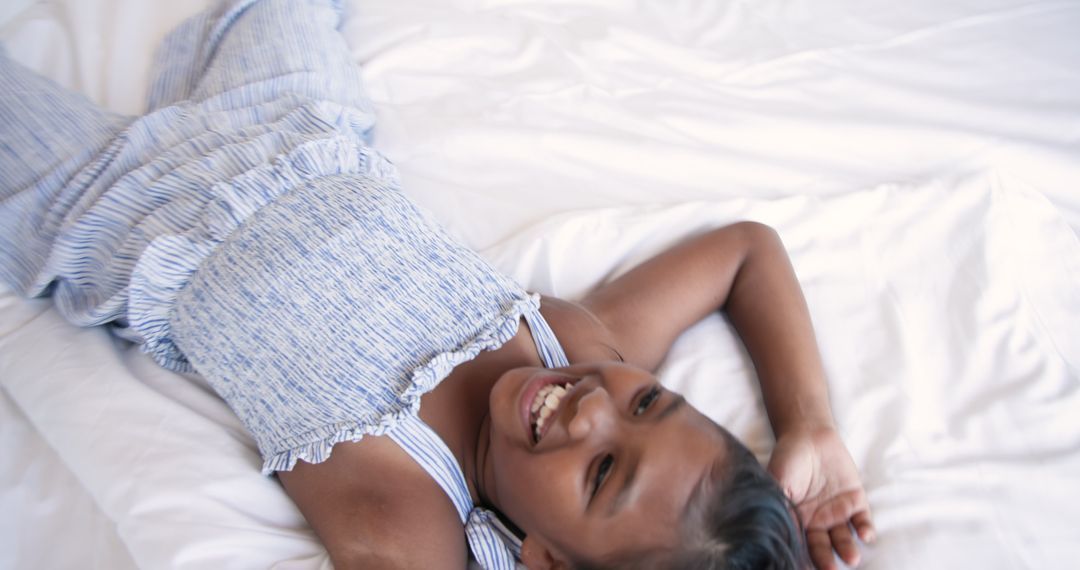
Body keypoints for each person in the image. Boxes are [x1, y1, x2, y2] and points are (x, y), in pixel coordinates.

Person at [0, 0, 874, 568]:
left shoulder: (407, 516)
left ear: (545, 561)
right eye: (650, 405)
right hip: (294, 117)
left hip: (117, 211)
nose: (591, 408)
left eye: (603, 473)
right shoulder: (574, 342)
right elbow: (747, 251)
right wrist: (810, 425)